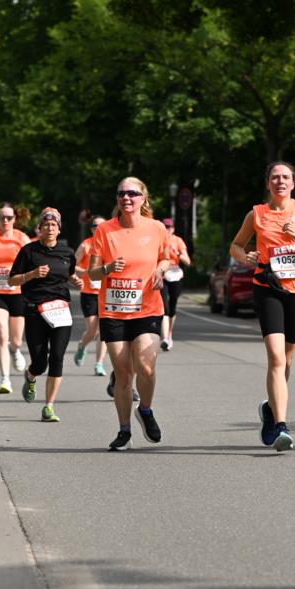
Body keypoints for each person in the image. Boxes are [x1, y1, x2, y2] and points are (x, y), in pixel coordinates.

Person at [230, 161, 295, 451]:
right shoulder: (256, 214)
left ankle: (270, 409)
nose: (280, 181)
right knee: (275, 358)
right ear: (268, 183)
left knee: (286, 361)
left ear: (293, 183)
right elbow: (236, 245)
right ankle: (282, 426)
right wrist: (244, 257)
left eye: (285, 177)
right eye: (275, 177)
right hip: (268, 289)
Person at [88, 177, 170, 450]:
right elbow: (92, 273)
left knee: (146, 365)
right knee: (123, 374)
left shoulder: (156, 228)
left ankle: (145, 410)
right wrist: (108, 268)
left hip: (147, 308)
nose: (127, 198)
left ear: (143, 198)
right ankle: (124, 430)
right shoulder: (105, 230)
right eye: (122, 193)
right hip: (113, 311)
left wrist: (160, 270)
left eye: (133, 193)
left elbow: (166, 257)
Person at [8, 207, 82, 422]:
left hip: (60, 310)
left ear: (59, 229)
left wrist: (75, 281)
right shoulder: (28, 251)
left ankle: (49, 406)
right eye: (46, 225)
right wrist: (31, 274)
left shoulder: (67, 252)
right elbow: (11, 280)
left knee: (57, 357)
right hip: (34, 310)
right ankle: (31, 376)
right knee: (40, 363)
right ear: (39, 228)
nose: (50, 228)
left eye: (53, 225)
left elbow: (68, 274)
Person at [0, 203, 29, 393]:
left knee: (16, 341)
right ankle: (5, 380)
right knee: (2, 334)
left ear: (14, 219)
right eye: (2, 217)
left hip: (18, 293)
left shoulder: (21, 238)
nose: (5, 220)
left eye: (9, 217)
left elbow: (32, 260)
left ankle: (15, 350)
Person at [74, 216, 108, 375]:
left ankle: (99, 363)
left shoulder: (111, 244)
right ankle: (82, 345)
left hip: (106, 292)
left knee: (104, 330)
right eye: (95, 226)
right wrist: (86, 272)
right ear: (91, 229)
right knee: (92, 330)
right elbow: (72, 266)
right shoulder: (85, 245)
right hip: (89, 293)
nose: (98, 228)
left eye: (101, 226)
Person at [160, 218, 191, 351]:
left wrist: (176, 252)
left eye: (169, 227)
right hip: (162, 276)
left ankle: (169, 334)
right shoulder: (158, 240)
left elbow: (188, 261)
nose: (167, 229)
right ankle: (165, 339)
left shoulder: (178, 241)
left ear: (173, 229)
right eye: (165, 227)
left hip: (175, 275)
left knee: (172, 307)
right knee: (164, 307)